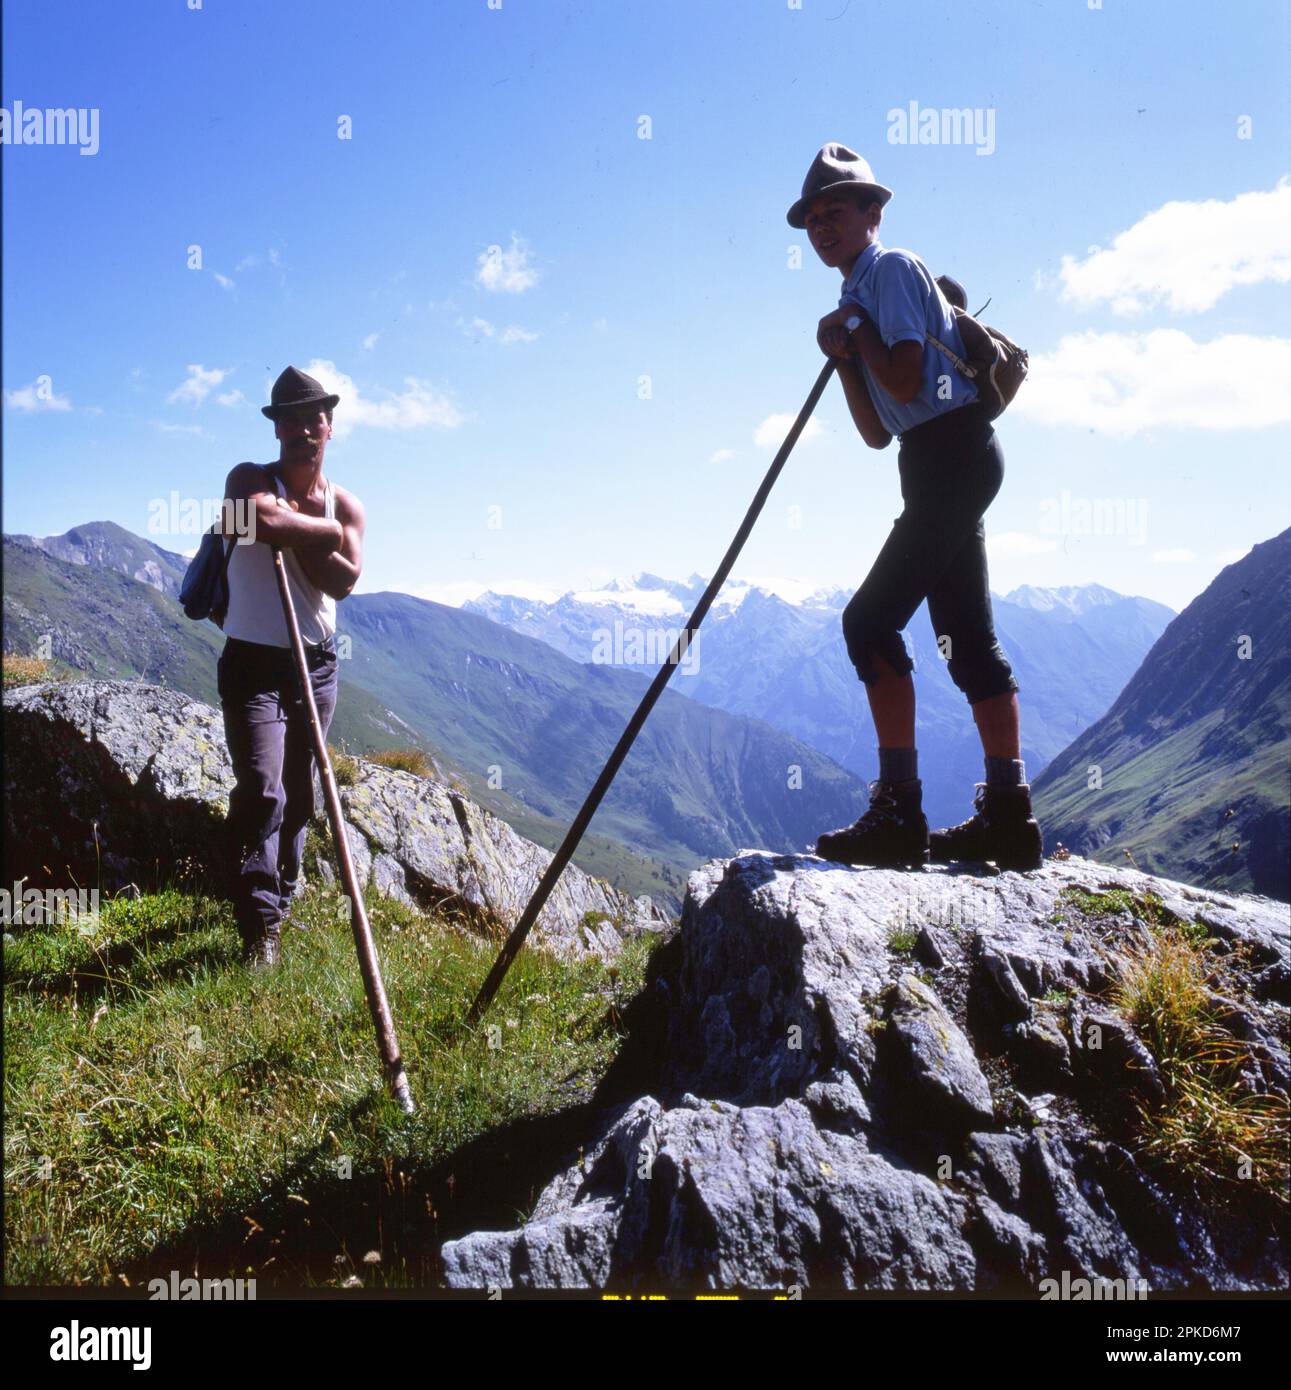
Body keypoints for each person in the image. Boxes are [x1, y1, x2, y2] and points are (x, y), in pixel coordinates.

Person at [786, 143, 1043, 872]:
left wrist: (853, 333)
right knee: (964, 640)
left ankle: (899, 813)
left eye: (835, 211)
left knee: (867, 622)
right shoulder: (856, 296)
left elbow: (902, 382)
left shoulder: (890, 269)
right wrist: (843, 357)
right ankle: (1008, 819)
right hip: (933, 460)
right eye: (811, 218)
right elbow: (875, 431)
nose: (821, 227)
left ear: (873, 213)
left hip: (950, 455)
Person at [216, 366, 366, 966]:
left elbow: (347, 580)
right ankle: (260, 926)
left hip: (318, 665)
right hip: (253, 663)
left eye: (317, 418)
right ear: (277, 427)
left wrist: (307, 527)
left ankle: (284, 891)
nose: (307, 429)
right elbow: (260, 519)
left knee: (302, 796)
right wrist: (322, 530)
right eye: (294, 419)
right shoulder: (248, 478)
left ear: (330, 426)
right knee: (262, 787)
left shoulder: (347, 502)